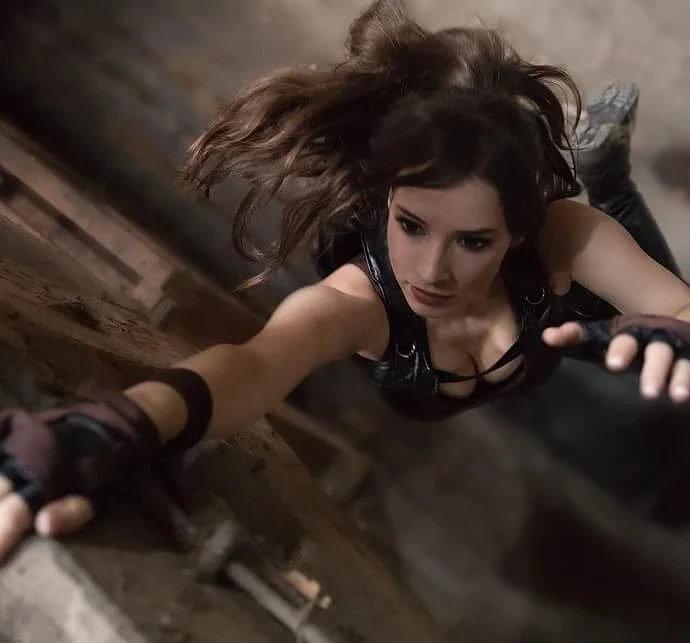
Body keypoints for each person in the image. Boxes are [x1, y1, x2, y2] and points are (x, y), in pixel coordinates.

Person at [1, 0, 690, 562]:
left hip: (554, 330)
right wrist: (118, 424)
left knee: (637, 300)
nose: (430, 271)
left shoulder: (560, 234)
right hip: (522, 371)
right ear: (385, 199)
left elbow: (676, 305)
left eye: (472, 240)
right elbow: (254, 366)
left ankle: (608, 181)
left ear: (518, 229)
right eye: (411, 224)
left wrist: (680, 323)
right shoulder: (357, 305)